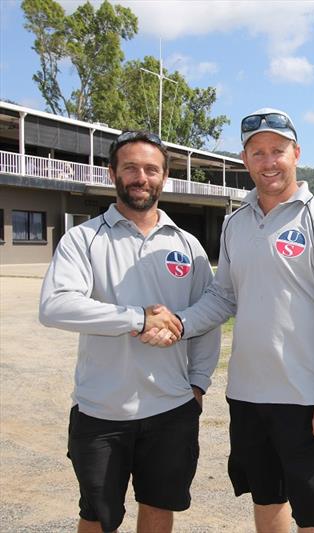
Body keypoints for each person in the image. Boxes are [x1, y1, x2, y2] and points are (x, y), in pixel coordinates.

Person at [141, 107, 314, 533]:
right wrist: (180, 323)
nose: (268, 162)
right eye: (257, 152)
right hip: (246, 395)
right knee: (266, 497)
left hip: (304, 397)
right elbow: (223, 295)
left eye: (277, 150)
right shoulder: (235, 223)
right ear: (245, 159)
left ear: (296, 153)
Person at [39, 130, 221, 533]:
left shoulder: (188, 245)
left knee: (159, 508)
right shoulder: (83, 239)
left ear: (164, 177)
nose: (142, 177)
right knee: (98, 517)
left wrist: (198, 385)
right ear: (112, 174)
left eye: (151, 169)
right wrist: (137, 318)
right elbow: (55, 306)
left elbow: (205, 320)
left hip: (172, 409)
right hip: (102, 410)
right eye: (131, 168)